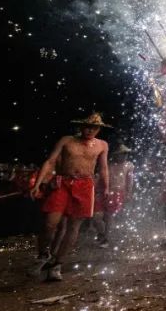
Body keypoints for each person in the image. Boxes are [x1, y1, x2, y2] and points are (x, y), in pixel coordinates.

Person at [29, 113, 111, 281]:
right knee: (50, 223)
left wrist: (106, 187)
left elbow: (103, 168)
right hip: (63, 183)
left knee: (74, 227)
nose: (90, 130)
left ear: (99, 129)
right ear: (81, 126)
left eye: (94, 127)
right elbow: (50, 161)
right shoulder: (67, 140)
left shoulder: (102, 145)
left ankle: (57, 264)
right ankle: (44, 253)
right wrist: (37, 184)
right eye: (87, 126)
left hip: (85, 185)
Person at [93, 144, 133, 248]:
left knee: (108, 216)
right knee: (96, 217)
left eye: (126, 154)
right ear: (116, 155)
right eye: (122, 154)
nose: (124, 156)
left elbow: (129, 181)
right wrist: (93, 190)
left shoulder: (129, 165)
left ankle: (105, 238)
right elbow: (98, 177)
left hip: (117, 193)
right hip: (102, 192)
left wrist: (128, 193)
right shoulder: (107, 164)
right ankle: (101, 233)